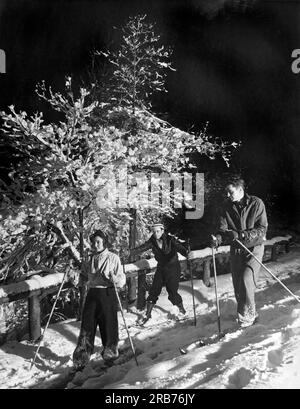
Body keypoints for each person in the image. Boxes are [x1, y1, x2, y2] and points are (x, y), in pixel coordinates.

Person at [211, 176, 268, 327]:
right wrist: (217, 238)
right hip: (236, 248)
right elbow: (222, 229)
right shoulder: (226, 206)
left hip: (254, 247)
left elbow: (262, 229)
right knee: (238, 284)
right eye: (227, 193)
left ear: (240, 190)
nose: (228, 195)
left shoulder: (256, 203)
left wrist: (243, 234)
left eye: (230, 192)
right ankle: (243, 316)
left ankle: (249, 315)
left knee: (247, 278)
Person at [73, 230, 126, 369]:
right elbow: (83, 276)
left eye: (98, 242)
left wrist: (115, 279)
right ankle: (82, 355)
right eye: (94, 242)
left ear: (104, 242)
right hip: (92, 294)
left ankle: (110, 351)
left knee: (108, 324)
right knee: (87, 324)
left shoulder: (113, 258)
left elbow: (121, 278)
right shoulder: (90, 259)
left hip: (107, 294)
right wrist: (73, 275)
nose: (95, 245)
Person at [130, 223, 189, 323]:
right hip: (161, 268)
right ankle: (147, 314)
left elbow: (180, 248)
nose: (156, 233)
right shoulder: (152, 241)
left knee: (172, 291)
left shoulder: (171, 240)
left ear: (162, 231)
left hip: (173, 268)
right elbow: (142, 248)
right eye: (154, 232)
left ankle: (182, 310)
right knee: (154, 290)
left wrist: (187, 252)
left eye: (158, 231)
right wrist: (130, 252)